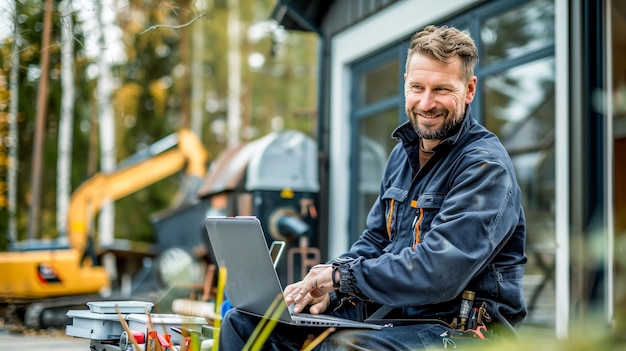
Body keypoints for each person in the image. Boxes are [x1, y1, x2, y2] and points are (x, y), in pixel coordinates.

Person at [218, 24, 527, 350]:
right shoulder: (401, 156)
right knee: (245, 323)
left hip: (463, 332)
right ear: (405, 83)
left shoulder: (484, 167)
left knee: (343, 347)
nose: (426, 102)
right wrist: (331, 289)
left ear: (469, 89)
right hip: (395, 317)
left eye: (441, 89)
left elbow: (439, 273)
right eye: (417, 86)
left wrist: (340, 278)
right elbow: (375, 241)